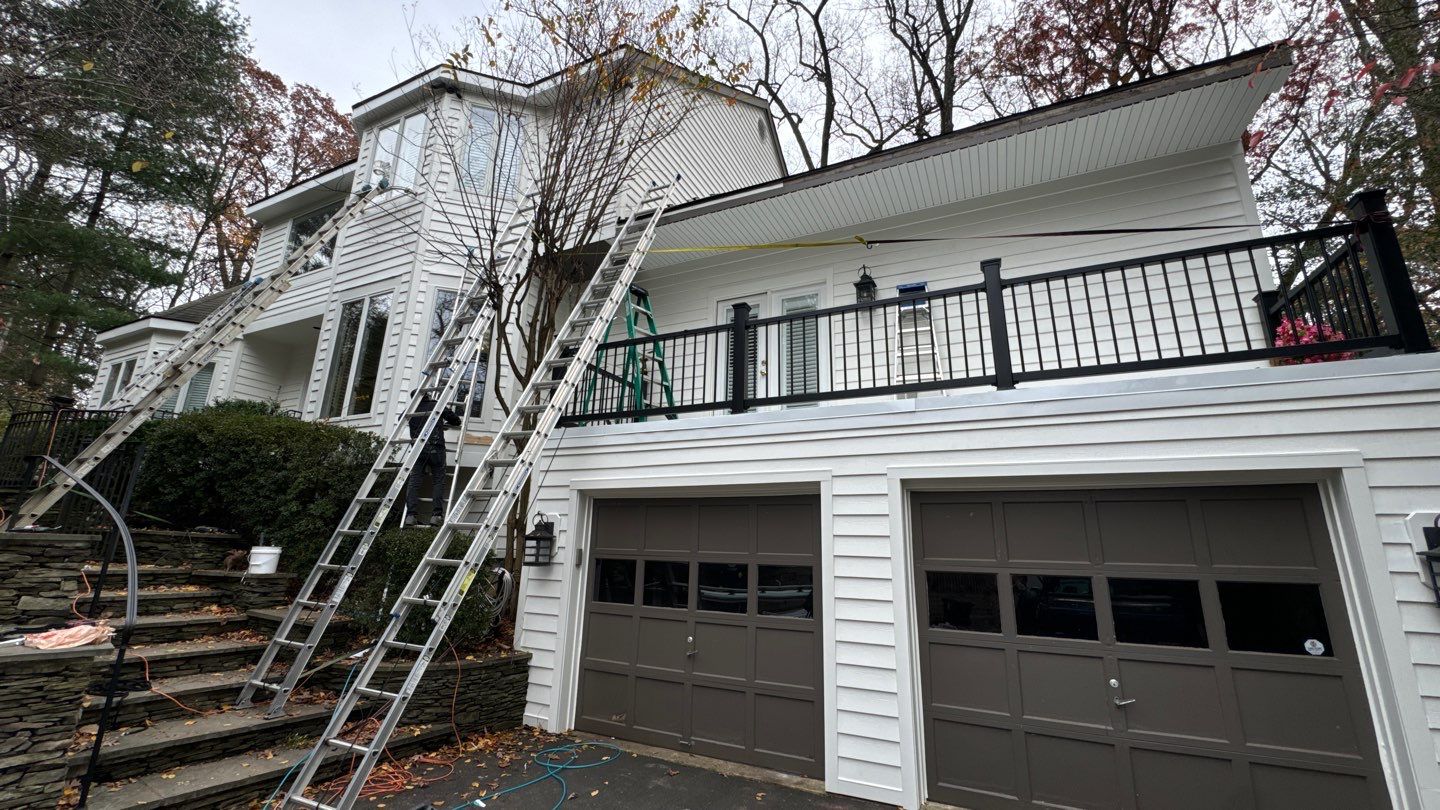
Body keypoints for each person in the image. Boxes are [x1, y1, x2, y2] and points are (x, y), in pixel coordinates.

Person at [404, 391, 462, 527]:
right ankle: (436, 516)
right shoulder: (436, 405)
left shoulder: (411, 410)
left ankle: (410, 516)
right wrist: (442, 423)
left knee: (414, 482)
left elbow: (403, 419)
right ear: (428, 396)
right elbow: (456, 420)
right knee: (438, 481)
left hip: (418, 450)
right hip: (436, 448)